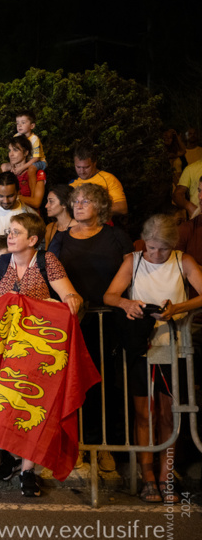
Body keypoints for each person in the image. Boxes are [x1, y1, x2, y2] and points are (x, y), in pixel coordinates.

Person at [0, 213, 83, 496]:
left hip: (36, 351)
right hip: (5, 346)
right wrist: (13, 299)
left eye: (16, 232)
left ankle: (27, 471)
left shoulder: (48, 261)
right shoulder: (0, 261)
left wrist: (71, 299)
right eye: (9, 231)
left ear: (33, 239)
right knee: (7, 404)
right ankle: (11, 454)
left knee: (34, 403)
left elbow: (71, 298)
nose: (10, 236)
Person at [103, 214, 202, 504]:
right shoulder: (133, 261)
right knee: (144, 414)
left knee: (168, 414)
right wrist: (126, 302)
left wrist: (179, 307)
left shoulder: (183, 260)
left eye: (162, 249)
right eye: (151, 248)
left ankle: (166, 477)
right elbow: (110, 295)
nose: (156, 254)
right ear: (143, 242)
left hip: (175, 346)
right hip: (141, 347)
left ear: (172, 245)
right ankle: (148, 478)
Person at [48, 182, 133, 471]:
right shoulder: (60, 239)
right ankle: (79, 446)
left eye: (86, 200)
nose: (79, 204)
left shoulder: (117, 237)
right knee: (74, 386)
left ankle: (105, 447)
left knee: (107, 384)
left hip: (109, 323)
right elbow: (49, 277)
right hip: (73, 324)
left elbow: (132, 276)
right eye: (77, 200)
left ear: (101, 206)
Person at [69, 141, 128, 215]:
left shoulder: (108, 179)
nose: (82, 171)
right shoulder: (72, 184)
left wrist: (93, 209)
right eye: (78, 167)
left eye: (86, 167)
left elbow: (122, 208)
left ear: (94, 163)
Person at [6, 135, 45, 209]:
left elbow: (36, 203)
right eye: (9, 150)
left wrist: (13, 197)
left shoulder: (37, 173)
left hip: (30, 217)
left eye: (15, 150)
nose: (11, 154)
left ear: (26, 153)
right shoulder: (7, 172)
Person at [43, 183, 77, 248]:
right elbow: (47, 255)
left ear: (64, 204)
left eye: (51, 201)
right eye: (47, 201)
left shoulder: (80, 228)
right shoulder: (50, 227)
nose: (46, 206)